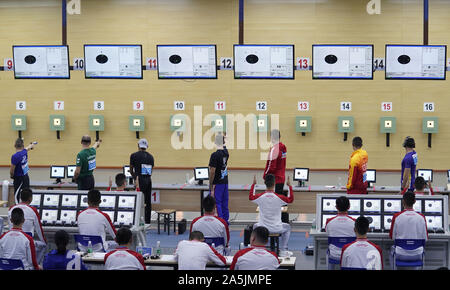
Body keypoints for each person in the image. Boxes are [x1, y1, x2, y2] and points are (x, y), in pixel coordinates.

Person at [249, 173, 293, 257]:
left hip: (262, 228)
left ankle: (254, 248)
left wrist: (253, 184)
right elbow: (290, 199)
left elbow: (251, 197)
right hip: (277, 228)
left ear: (265, 183)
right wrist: (289, 186)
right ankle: (283, 250)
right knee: (288, 227)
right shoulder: (279, 197)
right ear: (274, 183)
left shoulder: (260, 197)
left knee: (254, 226)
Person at [8, 188, 47, 264]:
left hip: (12, 241)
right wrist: (45, 242)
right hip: (27, 242)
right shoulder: (33, 210)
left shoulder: (11, 209)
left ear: (20, 198)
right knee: (43, 245)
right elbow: (39, 230)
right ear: (30, 198)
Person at [389, 191, 427, 265]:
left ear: (403, 201)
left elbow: (392, 237)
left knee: (390, 251)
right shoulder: (421, 217)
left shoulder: (396, 217)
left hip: (400, 255)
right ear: (415, 201)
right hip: (417, 255)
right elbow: (425, 238)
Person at [325, 196, 356, 269]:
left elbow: (327, 233)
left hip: (334, 255)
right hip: (349, 255)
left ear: (336, 207)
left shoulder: (329, 221)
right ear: (349, 207)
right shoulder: (355, 222)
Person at [129, 138, 154, 224]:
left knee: (138, 202)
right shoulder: (151, 157)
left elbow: (131, 170)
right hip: (148, 181)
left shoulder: (134, 155)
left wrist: (135, 177)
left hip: (139, 181)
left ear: (138, 146)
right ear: (147, 146)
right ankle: (147, 222)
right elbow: (150, 172)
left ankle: (137, 221)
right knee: (147, 202)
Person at [208, 133, 229, 223]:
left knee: (217, 203)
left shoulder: (214, 155)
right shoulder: (226, 153)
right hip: (225, 181)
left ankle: (220, 222)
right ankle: (225, 221)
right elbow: (224, 147)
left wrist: (210, 183)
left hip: (217, 182)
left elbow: (212, 171)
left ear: (215, 142)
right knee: (224, 203)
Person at [10, 138, 37, 204]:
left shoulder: (15, 156)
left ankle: (18, 207)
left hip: (19, 179)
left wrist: (12, 176)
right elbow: (28, 147)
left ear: (15, 146)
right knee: (26, 195)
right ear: (22, 146)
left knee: (17, 195)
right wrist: (32, 145)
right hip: (26, 177)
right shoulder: (24, 151)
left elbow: (12, 170)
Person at [263, 129, 287, 196]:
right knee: (278, 202)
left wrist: (265, 175)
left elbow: (271, 166)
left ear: (272, 137)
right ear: (280, 136)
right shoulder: (283, 148)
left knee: (273, 203)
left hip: (274, 180)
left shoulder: (274, 149)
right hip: (281, 178)